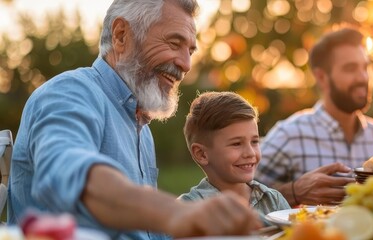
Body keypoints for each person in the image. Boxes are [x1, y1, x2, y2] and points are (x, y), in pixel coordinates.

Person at [8, 0, 261, 239]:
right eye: (174, 44)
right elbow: (69, 174)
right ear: (121, 35)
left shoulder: (139, 123)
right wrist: (178, 212)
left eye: (190, 51)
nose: (186, 64)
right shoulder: (70, 93)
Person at [255, 28, 373, 206]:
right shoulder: (289, 134)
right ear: (322, 77)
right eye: (350, 68)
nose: (363, 77)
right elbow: (239, 195)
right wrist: (293, 192)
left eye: (365, 67)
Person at [178, 91, 290, 225]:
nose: (250, 153)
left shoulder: (273, 200)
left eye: (254, 142)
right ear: (202, 154)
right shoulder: (189, 209)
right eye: (236, 144)